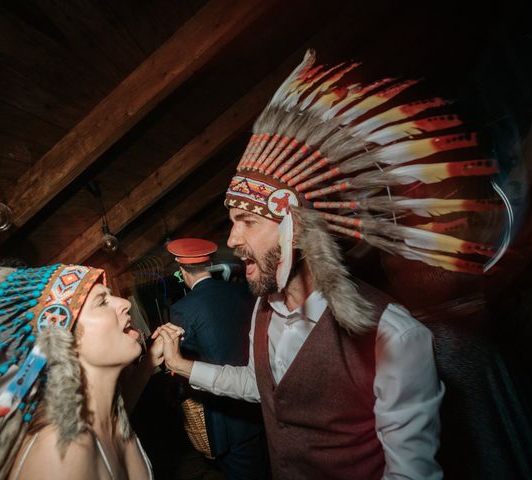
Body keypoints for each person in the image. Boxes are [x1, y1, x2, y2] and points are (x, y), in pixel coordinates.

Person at [155, 50, 508, 479]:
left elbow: (411, 474)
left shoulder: (393, 336)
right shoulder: (266, 310)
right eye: (232, 224)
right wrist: (182, 365)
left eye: (246, 221)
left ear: (296, 229)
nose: (231, 240)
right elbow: (261, 387)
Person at [0, 263, 181, 480]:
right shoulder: (62, 458)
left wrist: (147, 366)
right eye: (102, 302)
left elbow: (109, 427)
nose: (123, 303)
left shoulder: (109, 415)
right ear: (65, 339)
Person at [166, 238, 270, 480]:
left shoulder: (183, 308)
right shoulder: (243, 290)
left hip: (226, 415)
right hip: (259, 400)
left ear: (182, 272)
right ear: (210, 264)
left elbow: (181, 357)